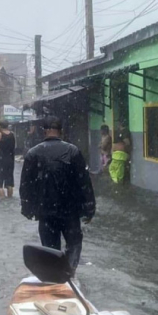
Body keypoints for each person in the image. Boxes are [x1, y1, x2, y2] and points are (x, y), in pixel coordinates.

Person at [19, 115, 95, 271]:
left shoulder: (33, 153)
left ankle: (54, 276)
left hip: (45, 212)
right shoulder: (73, 151)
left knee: (50, 249)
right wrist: (89, 208)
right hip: (70, 211)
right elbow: (84, 182)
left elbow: (25, 185)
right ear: (61, 131)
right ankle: (70, 272)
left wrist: (27, 208)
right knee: (74, 244)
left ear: (43, 131)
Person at [0, 120, 16, 199]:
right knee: (9, 183)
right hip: (10, 160)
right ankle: (10, 199)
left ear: (0, 126)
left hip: (1, 160)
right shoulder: (12, 134)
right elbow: (13, 147)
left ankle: (2, 201)